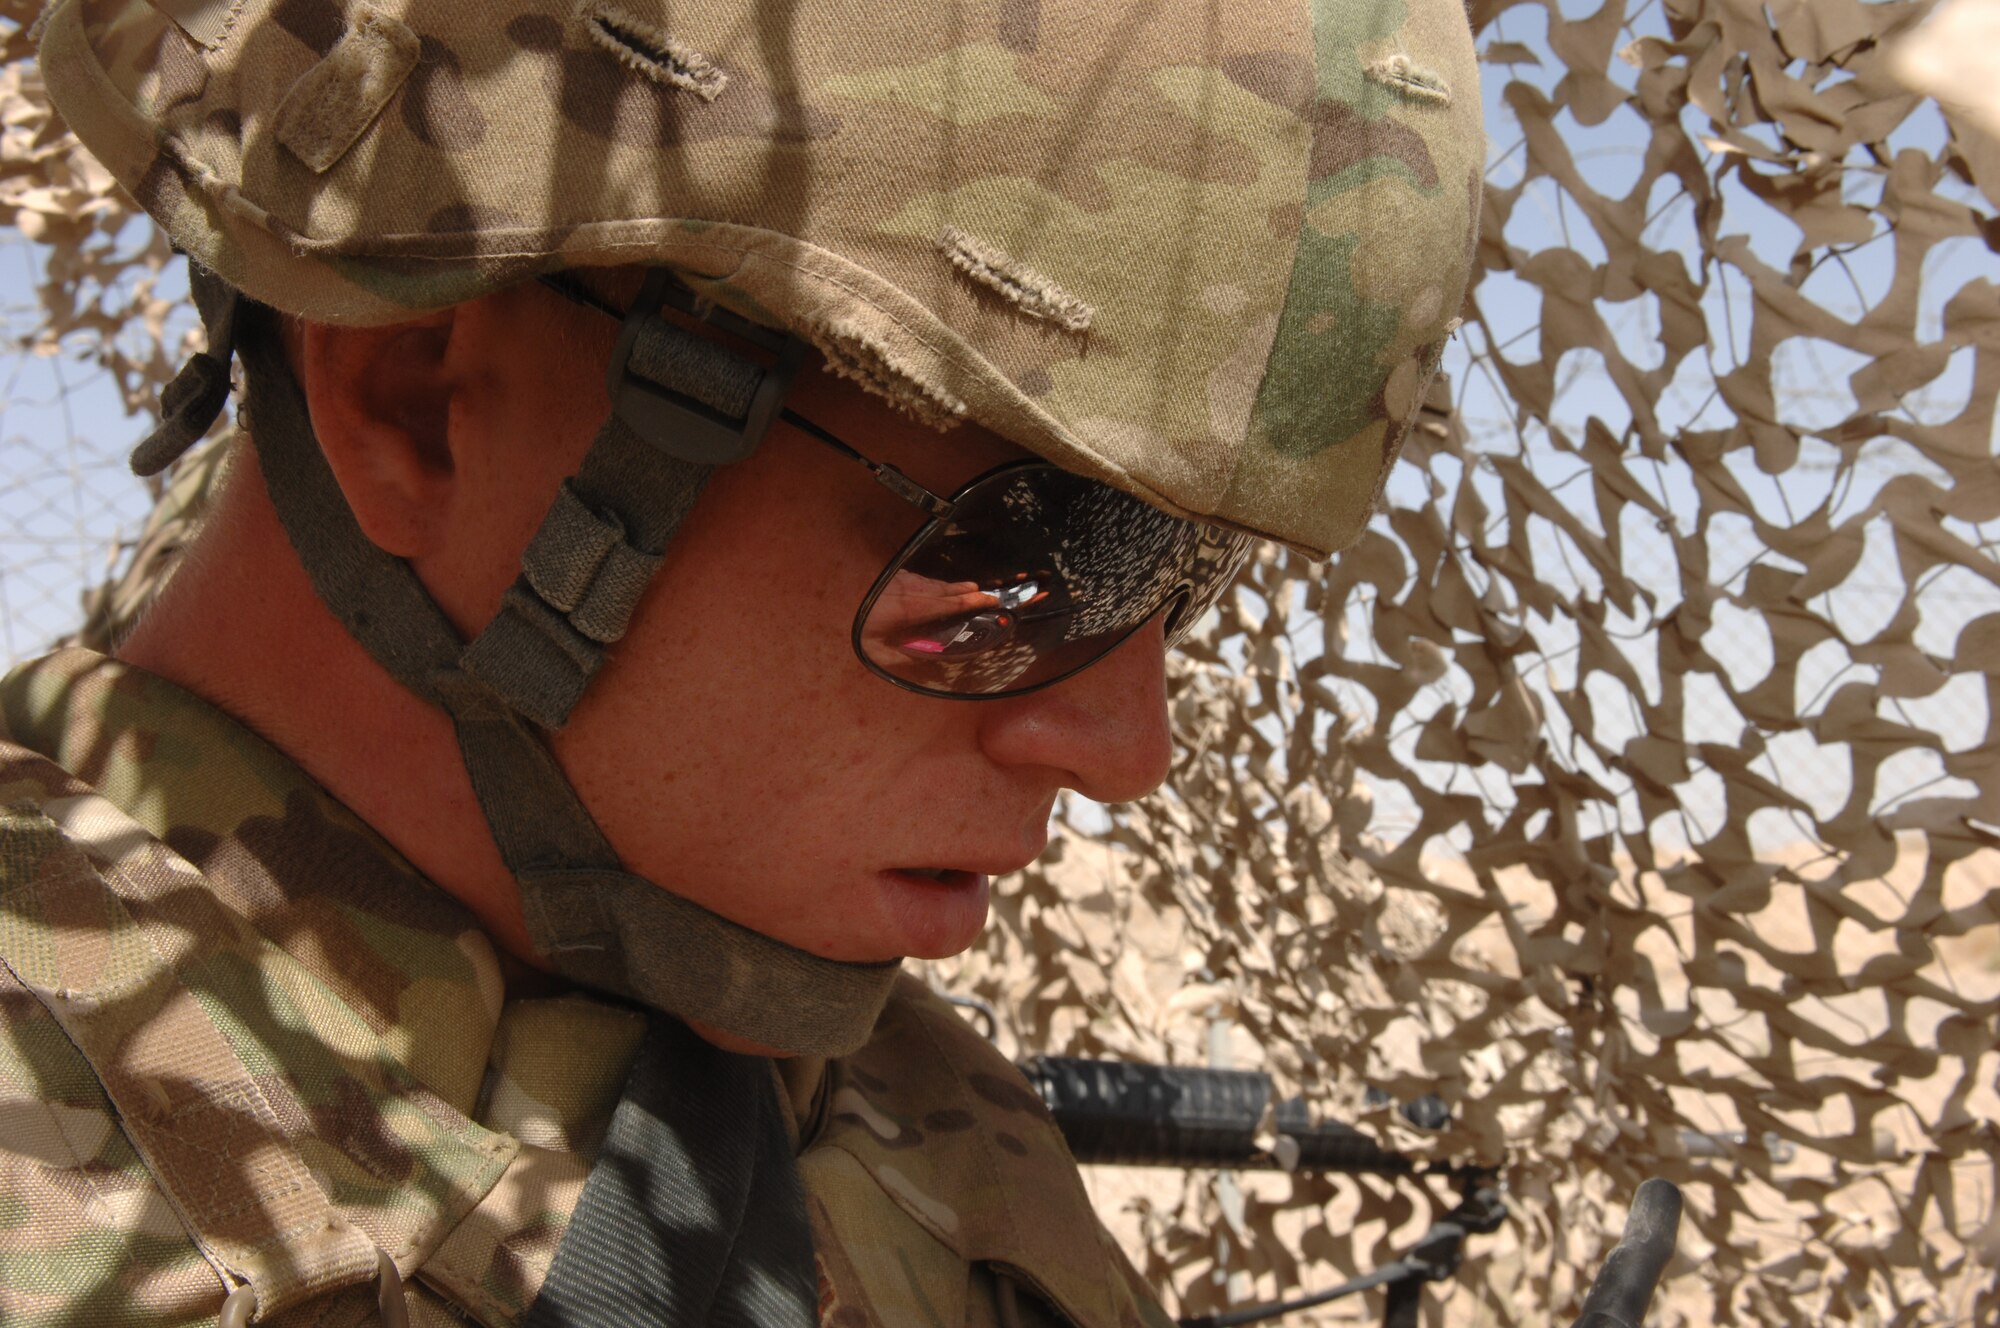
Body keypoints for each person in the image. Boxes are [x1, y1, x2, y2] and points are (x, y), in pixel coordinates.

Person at [0, 0, 1483, 1324]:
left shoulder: (879, 1090)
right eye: (1030, 555)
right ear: (417, 409)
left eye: (1184, 576)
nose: (1126, 743)